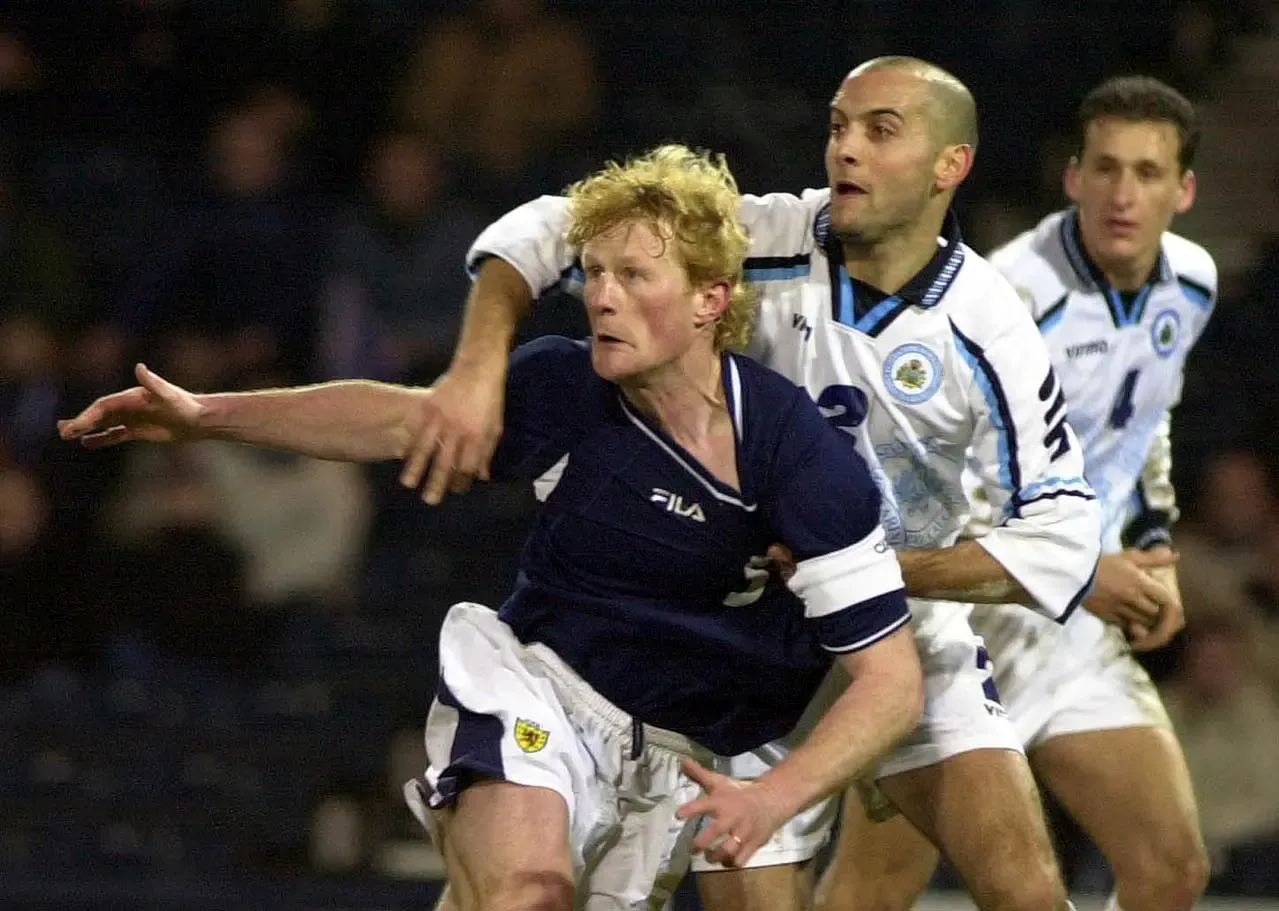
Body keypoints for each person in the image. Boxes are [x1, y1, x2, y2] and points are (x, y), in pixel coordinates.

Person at [60, 145, 925, 911]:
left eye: (634, 276)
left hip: (671, 760)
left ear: (710, 299)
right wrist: (206, 414)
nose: (602, 298)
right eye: (592, 273)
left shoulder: (797, 456)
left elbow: (890, 682)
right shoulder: (564, 389)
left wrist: (773, 793)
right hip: (538, 691)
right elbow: (400, 421)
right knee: (528, 892)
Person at [383, 57, 1144, 911]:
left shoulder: (990, 322)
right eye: (836, 126)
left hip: (895, 638)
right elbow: (557, 228)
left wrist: (869, 576)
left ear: (948, 166)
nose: (843, 149)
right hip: (737, 651)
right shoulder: (758, 238)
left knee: (1029, 894)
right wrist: (479, 365)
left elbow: (1063, 530)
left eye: (878, 130)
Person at [925, 76, 1209, 911]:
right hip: (964, 623)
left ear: (1182, 190)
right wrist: (1081, 571)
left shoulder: (1189, 282)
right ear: (1071, 178)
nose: (1124, 195)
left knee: (1169, 868)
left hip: (1076, 627)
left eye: (1148, 173)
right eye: (1106, 169)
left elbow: (1148, 413)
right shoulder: (1005, 296)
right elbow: (939, 478)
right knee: (876, 885)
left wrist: (1152, 539)